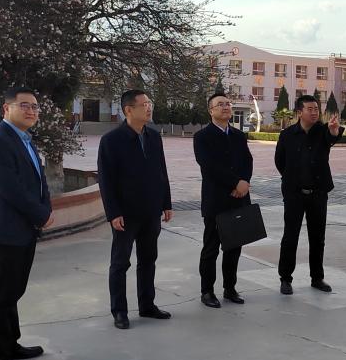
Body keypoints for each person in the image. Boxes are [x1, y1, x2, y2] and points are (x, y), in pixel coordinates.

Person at [0, 87, 54, 360]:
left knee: (13, 292)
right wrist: (40, 214)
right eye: (24, 105)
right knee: (0, 297)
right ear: (6, 108)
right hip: (6, 230)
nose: (31, 111)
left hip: (24, 229)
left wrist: (45, 208)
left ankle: (9, 345)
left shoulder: (24, 140)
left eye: (35, 106)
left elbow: (39, 180)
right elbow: (10, 188)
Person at [97, 89, 175, 330]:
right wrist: (113, 213)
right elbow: (106, 180)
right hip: (126, 214)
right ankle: (119, 311)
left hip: (151, 210)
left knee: (148, 259)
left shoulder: (154, 137)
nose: (149, 108)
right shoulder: (111, 140)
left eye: (150, 103)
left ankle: (147, 305)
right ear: (128, 110)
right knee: (120, 263)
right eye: (144, 105)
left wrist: (166, 203)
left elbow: (161, 171)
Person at [275, 94, 344, 295]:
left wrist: (334, 131)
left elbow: (333, 137)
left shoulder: (323, 131)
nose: (314, 113)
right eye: (310, 109)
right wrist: (292, 179)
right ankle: (285, 278)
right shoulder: (287, 135)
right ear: (299, 112)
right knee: (290, 237)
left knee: (317, 237)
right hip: (294, 194)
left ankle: (317, 278)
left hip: (318, 193)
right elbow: (280, 162)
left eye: (316, 109)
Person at [193, 92, 254, 308]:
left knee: (234, 248)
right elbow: (209, 167)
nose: (226, 107)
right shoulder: (202, 137)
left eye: (228, 103)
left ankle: (230, 288)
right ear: (211, 110)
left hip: (238, 199)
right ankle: (207, 291)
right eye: (220, 104)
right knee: (211, 248)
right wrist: (235, 183)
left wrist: (244, 182)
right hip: (216, 200)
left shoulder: (238, 135)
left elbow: (247, 161)